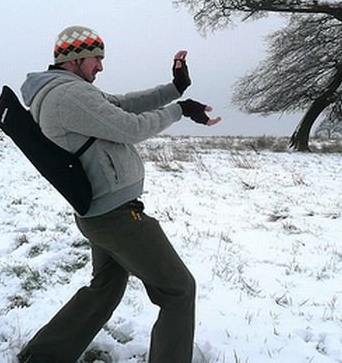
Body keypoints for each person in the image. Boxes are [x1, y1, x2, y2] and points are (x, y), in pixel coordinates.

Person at [17, 25, 221, 363]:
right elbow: (130, 126)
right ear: (75, 58)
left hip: (100, 212)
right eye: (96, 58)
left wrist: (174, 89)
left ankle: (43, 356)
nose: (100, 66)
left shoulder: (68, 90)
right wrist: (180, 110)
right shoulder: (69, 96)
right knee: (178, 290)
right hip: (115, 217)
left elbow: (124, 104)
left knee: (105, 289)